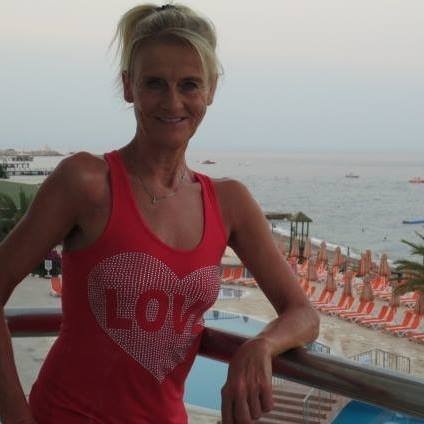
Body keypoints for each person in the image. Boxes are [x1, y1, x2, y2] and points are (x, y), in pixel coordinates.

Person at [0, 3, 319, 423]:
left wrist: (260, 345)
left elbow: (303, 313)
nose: (173, 102)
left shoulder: (229, 203)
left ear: (211, 90)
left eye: (189, 85)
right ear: (128, 86)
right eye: (154, 84)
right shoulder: (87, 182)